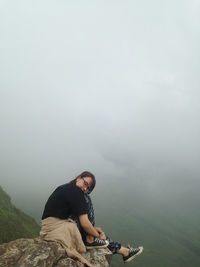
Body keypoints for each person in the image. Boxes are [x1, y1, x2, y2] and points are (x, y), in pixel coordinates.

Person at [41, 171, 143, 264]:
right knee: (87, 200)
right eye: (85, 184)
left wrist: (93, 230)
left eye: (88, 189)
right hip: (56, 227)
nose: (85, 189)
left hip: (51, 226)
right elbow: (85, 224)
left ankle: (125, 251)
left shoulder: (67, 188)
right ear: (78, 178)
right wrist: (95, 234)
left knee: (88, 208)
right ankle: (91, 240)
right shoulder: (75, 191)